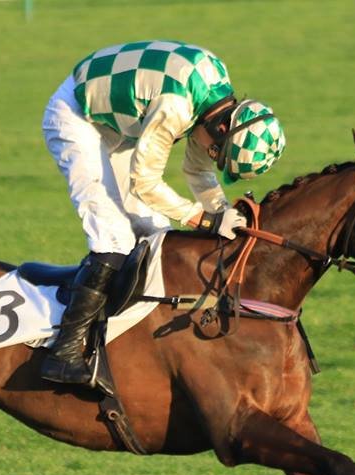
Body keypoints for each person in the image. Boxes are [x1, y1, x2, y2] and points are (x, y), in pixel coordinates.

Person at [40, 40, 286, 385]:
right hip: (76, 114)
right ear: (223, 128)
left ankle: (130, 339)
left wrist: (224, 213)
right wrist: (204, 219)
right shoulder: (177, 107)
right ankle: (63, 353)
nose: (212, 157)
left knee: (155, 231)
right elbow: (145, 182)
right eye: (217, 153)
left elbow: (198, 171)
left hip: (121, 123)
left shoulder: (217, 103)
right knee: (113, 237)